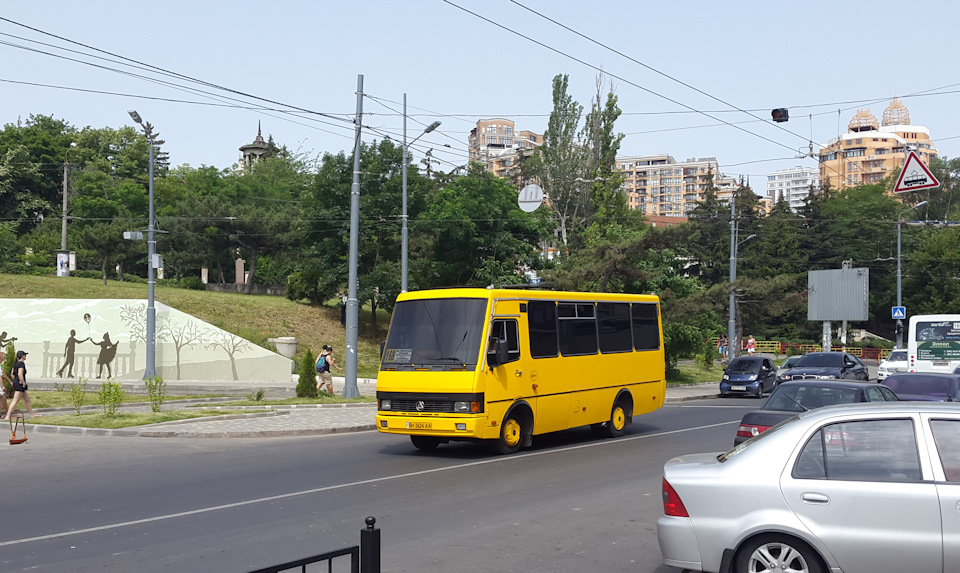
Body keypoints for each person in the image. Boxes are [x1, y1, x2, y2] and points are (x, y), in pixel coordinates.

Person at [4, 350, 39, 420]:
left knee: (27, 400)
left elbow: (12, 374)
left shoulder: (16, 364)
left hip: (17, 383)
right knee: (15, 400)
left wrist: (15, 380)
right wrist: (23, 382)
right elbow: (20, 374)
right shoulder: (21, 364)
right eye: (25, 355)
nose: (25, 356)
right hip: (20, 384)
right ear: (22, 356)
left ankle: (32, 415)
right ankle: (7, 416)